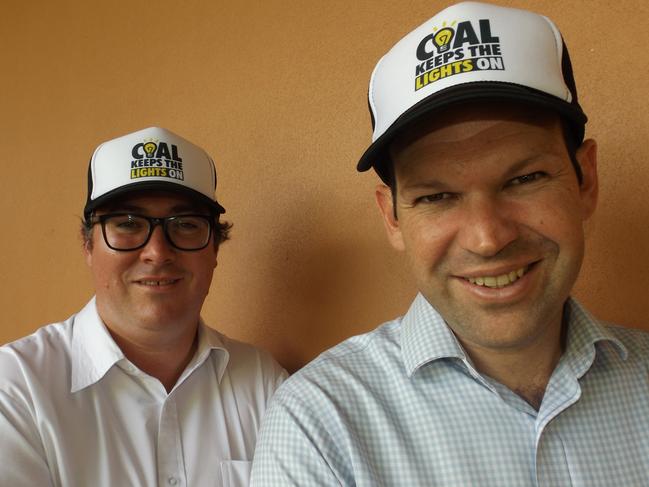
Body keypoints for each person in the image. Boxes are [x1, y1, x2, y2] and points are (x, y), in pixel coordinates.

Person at [251, 2, 649, 486]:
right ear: (392, 217)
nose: (487, 238)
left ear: (586, 181)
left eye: (525, 178)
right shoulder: (320, 421)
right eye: (437, 195)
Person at [0, 126, 287, 486]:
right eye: (128, 224)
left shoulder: (264, 384)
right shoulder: (16, 389)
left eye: (185, 224)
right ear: (88, 245)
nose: (157, 252)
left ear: (214, 249)